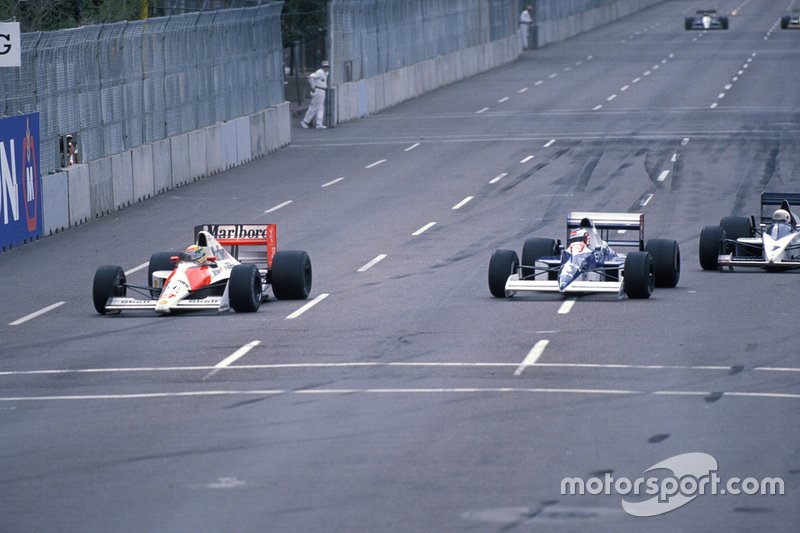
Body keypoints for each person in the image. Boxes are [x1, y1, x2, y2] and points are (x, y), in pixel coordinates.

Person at [301, 60, 330, 129]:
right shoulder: (319, 72)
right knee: (314, 106)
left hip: (322, 91)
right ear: (322, 67)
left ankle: (319, 123)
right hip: (318, 90)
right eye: (324, 67)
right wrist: (313, 86)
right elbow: (310, 77)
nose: (326, 68)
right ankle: (305, 121)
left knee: (320, 107)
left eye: (327, 67)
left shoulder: (325, 73)